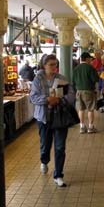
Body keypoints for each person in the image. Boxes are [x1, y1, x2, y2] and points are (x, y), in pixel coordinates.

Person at [30, 54, 75, 187]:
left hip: (60, 116)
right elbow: (33, 97)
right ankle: (44, 160)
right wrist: (47, 99)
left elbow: (71, 94)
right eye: (51, 64)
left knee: (60, 147)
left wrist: (60, 99)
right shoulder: (38, 79)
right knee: (45, 144)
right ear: (44, 66)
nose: (54, 67)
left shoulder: (62, 79)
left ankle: (58, 175)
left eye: (56, 64)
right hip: (43, 118)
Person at [72, 52, 100, 133]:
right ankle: (91, 127)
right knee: (90, 109)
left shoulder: (76, 68)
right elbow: (95, 79)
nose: (91, 60)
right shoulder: (90, 68)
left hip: (78, 91)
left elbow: (73, 81)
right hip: (88, 91)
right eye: (90, 58)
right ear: (87, 59)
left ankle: (82, 127)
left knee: (81, 109)